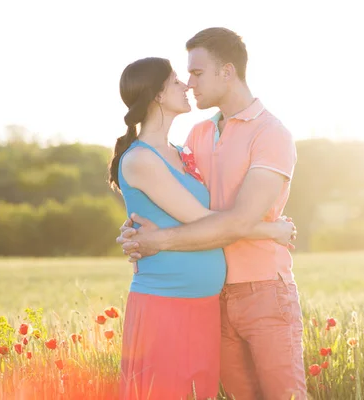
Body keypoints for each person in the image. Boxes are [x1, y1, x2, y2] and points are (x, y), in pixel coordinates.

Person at [117, 28, 307, 399]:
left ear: (228, 71)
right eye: (183, 76)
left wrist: (158, 240)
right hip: (211, 299)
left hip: (262, 289)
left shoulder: (271, 134)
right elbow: (184, 209)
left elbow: (234, 221)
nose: (189, 84)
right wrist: (132, 230)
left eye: (197, 73)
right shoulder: (197, 136)